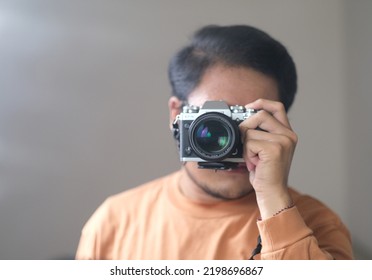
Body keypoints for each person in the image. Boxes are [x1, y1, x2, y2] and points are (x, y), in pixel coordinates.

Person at [75, 25, 353, 260]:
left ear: (280, 125)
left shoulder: (317, 227)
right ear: (177, 115)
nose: (230, 139)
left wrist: (275, 203)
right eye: (216, 119)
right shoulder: (113, 222)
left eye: (252, 119)